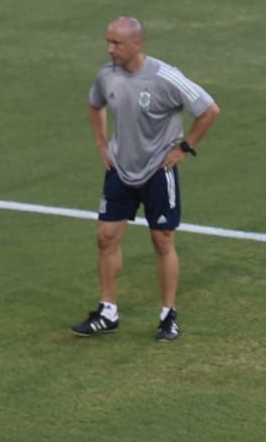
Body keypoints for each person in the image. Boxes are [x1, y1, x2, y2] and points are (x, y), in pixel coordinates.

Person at [71, 17, 220, 342]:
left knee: (162, 240)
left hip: (157, 172)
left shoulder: (166, 77)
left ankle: (168, 315)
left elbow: (209, 110)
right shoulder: (106, 75)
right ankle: (108, 312)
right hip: (120, 170)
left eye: (116, 43)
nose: (110, 49)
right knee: (105, 237)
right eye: (108, 42)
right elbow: (95, 104)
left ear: (136, 44)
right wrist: (101, 142)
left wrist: (184, 148)